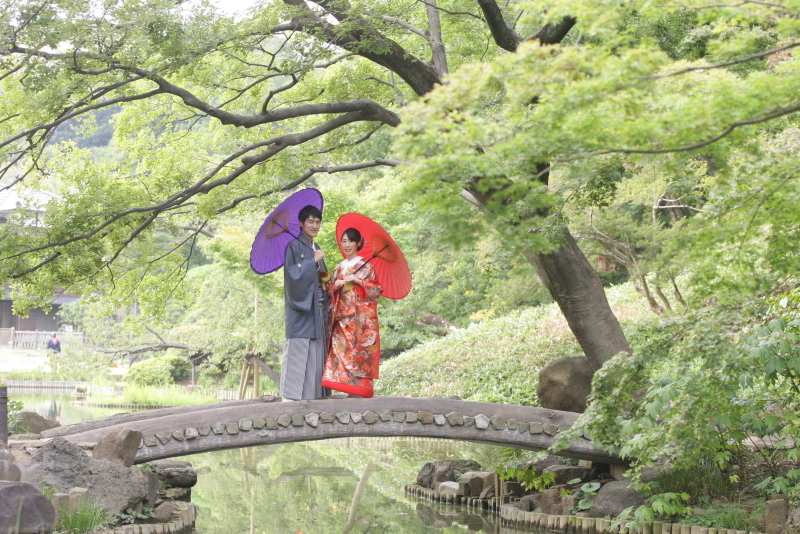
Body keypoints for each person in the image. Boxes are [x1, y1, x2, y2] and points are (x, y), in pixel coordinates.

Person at [321, 228, 382, 398]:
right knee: (339, 350)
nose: (347, 245)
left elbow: (376, 290)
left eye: (350, 241)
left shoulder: (367, 266)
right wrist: (336, 285)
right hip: (341, 319)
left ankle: (359, 390)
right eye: (344, 241)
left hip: (360, 320)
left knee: (359, 353)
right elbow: (329, 289)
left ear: (358, 243)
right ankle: (346, 386)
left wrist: (358, 281)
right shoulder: (339, 267)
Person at [281, 204, 330, 401]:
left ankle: (313, 394)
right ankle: (290, 396)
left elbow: (322, 278)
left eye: (317, 222)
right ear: (301, 223)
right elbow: (293, 275)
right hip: (301, 307)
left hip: (316, 307)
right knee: (299, 346)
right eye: (310, 221)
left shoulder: (315, 247)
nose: (315, 225)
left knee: (316, 347)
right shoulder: (293, 246)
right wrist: (312, 262)